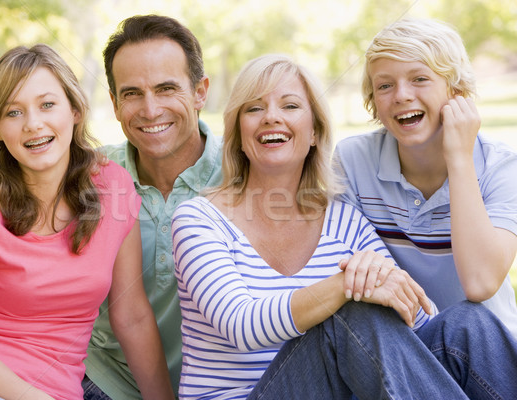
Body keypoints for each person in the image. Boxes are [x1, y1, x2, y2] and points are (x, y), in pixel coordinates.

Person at [171, 54, 517, 399]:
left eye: (290, 106)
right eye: (254, 109)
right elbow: (241, 325)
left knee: (468, 324)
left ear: (315, 133)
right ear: (238, 133)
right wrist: (346, 287)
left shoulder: (343, 220)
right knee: (352, 314)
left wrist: (382, 281)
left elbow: (420, 316)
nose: (271, 117)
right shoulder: (199, 220)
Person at [0, 44, 173, 400]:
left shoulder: (113, 188)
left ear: (75, 110)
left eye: (47, 104)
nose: (33, 124)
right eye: (13, 112)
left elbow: (131, 316)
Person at [334, 18, 517, 336]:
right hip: (403, 349)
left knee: (465, 319)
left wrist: (459, 158)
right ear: (374, 102)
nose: (402, 95)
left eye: (420, 78)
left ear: (457, 91)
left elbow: (479, 284)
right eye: (385, 85)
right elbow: (349, 273)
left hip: (483, 352)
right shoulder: (352, 160)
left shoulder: (501, 167)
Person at [83, 15, 222, 399]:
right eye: (131, 94)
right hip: (107, 381)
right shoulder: (88, 177)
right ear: (113, 103)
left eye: (166, 88)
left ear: (199, 91)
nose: (149, 109)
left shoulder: (248, 169)